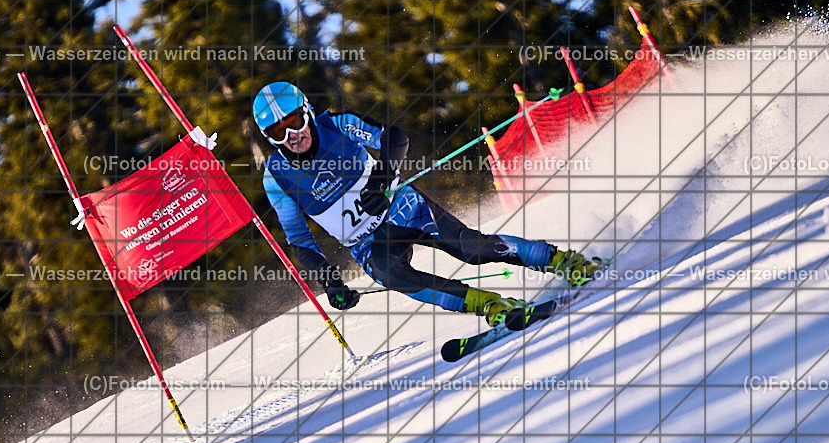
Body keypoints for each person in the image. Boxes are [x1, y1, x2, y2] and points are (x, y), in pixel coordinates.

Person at [253, 81, 600, 327]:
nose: (291, 136)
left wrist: (383, 178)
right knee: (394, 275)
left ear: (307, 112)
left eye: (295, 123)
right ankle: (491, 305)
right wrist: (330, 283)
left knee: (472, 249)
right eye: (277, 133)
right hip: (366, 243)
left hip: (402, 207)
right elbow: (300, 241)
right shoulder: (276, 178)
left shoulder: (339, 125)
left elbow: (394, 138)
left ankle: (565, 261)